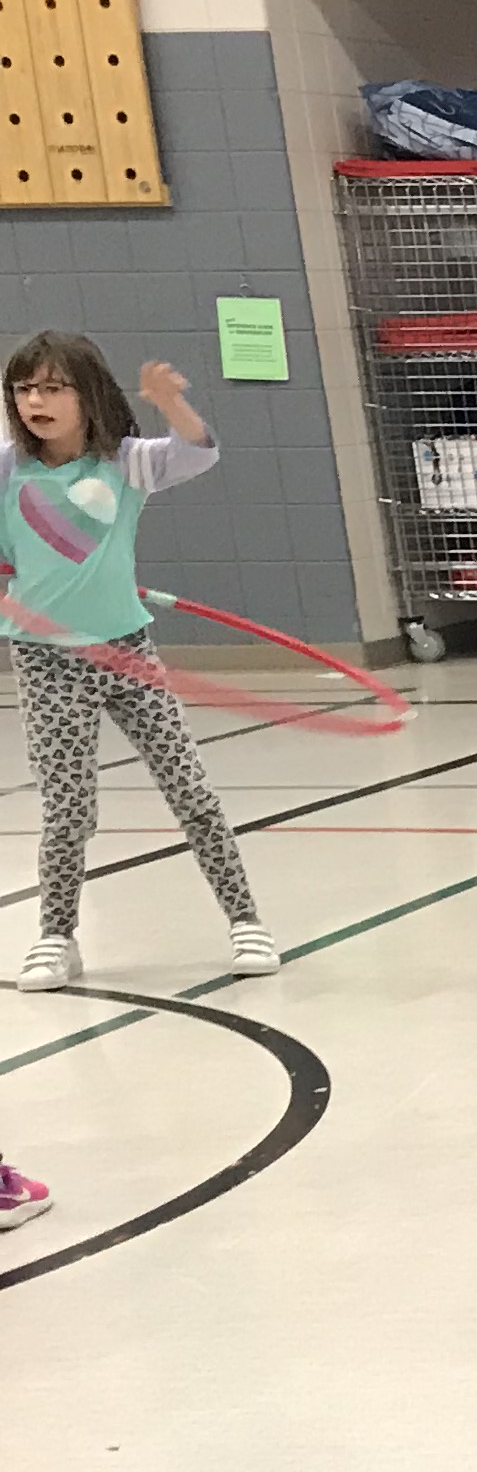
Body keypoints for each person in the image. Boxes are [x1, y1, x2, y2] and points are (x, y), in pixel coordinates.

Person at [7, 333, 276, 990]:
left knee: (190, 788)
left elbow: (197, 453)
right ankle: (56, 935)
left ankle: (245, 919)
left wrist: (170, 406)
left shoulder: (123, 464)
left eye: (51, 387)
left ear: (88, 394)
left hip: (127, 653)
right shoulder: (9, 470)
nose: (34, 400)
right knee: (67, 808)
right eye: (23, 388)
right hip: (46, 661)